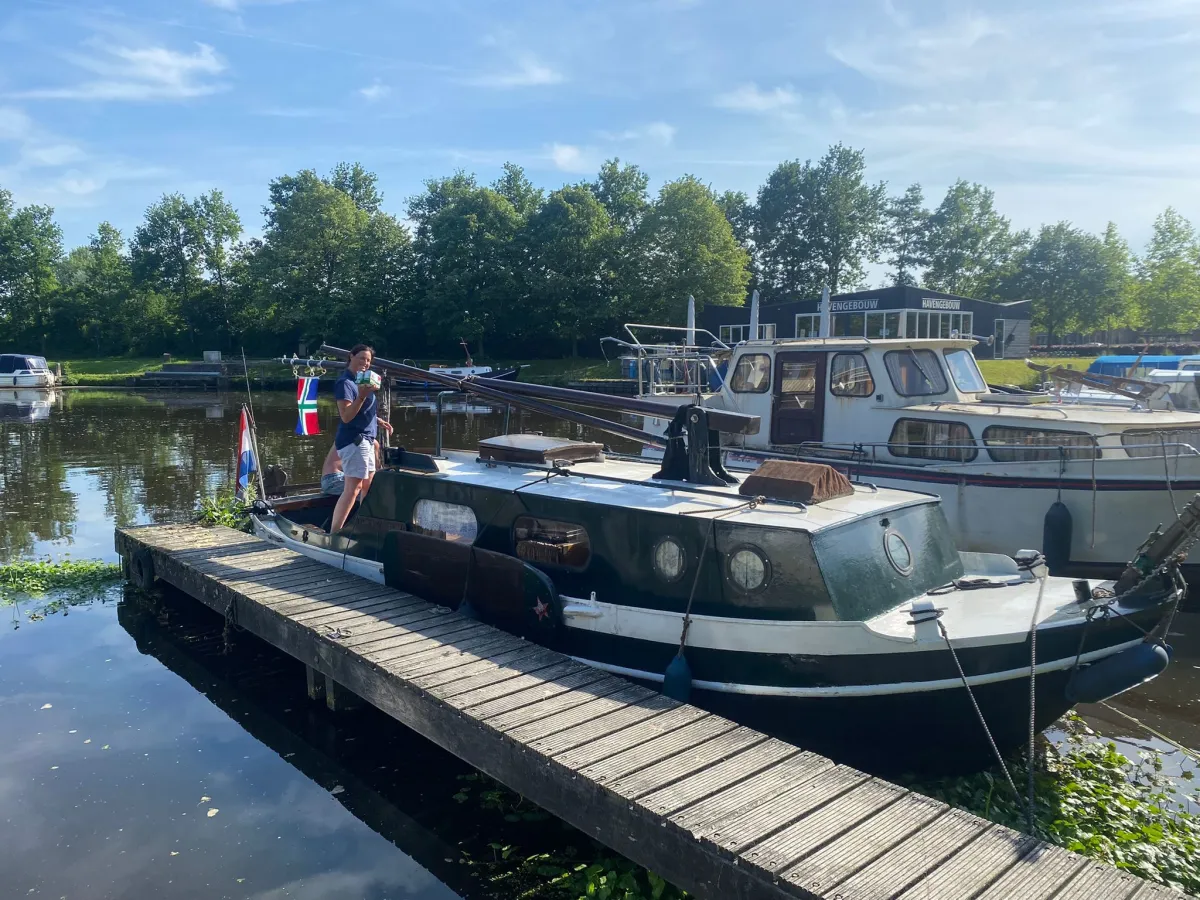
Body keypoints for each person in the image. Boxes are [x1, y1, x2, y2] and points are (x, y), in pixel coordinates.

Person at [330, 344, 391, 532]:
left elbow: (362, 411)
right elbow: (346, 416)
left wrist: (377, 420)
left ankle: (362, 527)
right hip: (354, 441)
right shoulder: (346, 383)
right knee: (353, 489)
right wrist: (362, 396)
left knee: (368, 486)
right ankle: (335, 533)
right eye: (362, 358)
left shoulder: (361, 380)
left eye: (368, 360)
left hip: (366, 440)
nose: (365, 363)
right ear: (351, 356)